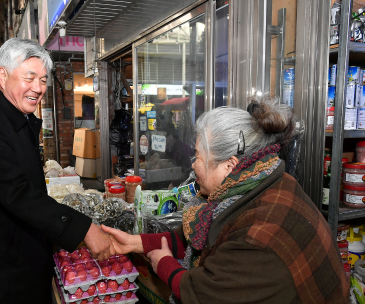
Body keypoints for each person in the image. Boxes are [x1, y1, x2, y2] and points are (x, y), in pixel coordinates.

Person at [103, 97, 349, 303]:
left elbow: (205, 294)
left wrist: (166, 265)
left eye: (198, 157)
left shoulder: (258, 238)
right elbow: (188, 238)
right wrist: (135, 243)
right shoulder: (259, 181)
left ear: (230, 166)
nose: (193, 165)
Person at [0, 38, 113, 304]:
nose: (38, 88)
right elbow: (18, 193)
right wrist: (83, 229)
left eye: (44, 80)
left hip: (17, 260)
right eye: (29, 78)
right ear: (3, 75)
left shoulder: (16, 119)